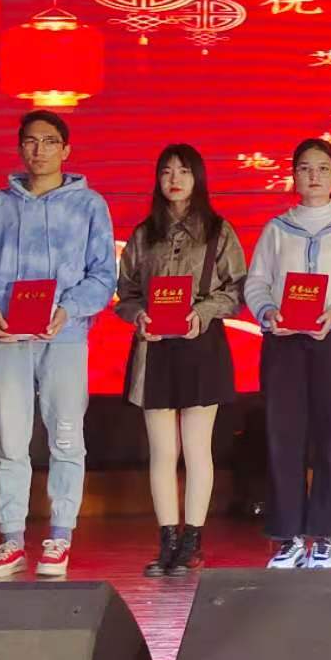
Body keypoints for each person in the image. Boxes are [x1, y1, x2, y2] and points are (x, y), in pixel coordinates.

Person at [0, 111, 116, 580]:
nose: (39, 150)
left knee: (66, 437)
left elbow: (103, 275)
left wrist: (68, 309)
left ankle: (60, 535)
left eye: (49, 141)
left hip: (63, 338)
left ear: (66, 149)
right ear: (19, 148)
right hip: (8, 337)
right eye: (30, 141)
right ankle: (11, 539)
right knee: (10, 441)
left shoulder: (89, 205)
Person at [242, 138, 331, 571]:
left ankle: (326, 537)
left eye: (322, 168)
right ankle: (289, 537)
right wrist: (268, 311)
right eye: (304, 168)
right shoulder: (277, 228)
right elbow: (256, 282)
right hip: (284, 342)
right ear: (293, 176)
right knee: (284, 439)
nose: (313, 175)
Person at [114, 144, 246, 576]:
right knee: (162, 451)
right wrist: (139, 315)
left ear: (198, 178)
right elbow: (126, 293)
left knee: (196, 448)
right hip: (153, 348)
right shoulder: (143, 233)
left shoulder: (218, 231)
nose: (174, 179)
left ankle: (193, 541)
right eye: (167, 171)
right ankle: (167, 540)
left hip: (200, 344)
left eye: (184, 171)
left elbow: (237, 289)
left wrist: (202, 313)